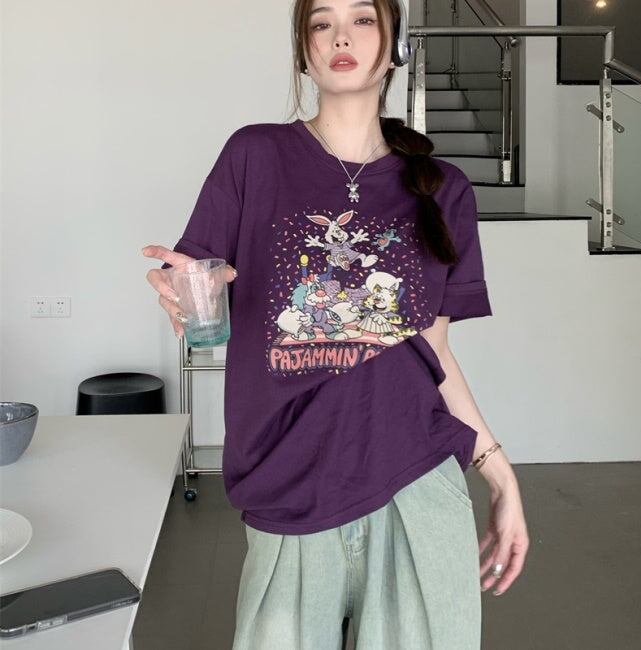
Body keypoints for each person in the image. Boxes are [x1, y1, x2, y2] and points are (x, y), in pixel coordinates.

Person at [142, 0, 529, 647]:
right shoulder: (254, 156)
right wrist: (182, 291)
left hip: (416, 482)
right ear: (304, 49)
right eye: (321, 22)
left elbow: (433, 352)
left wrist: (498, 470)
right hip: (288, 482)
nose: (341, 35)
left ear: (394, 44)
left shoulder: (444, 189)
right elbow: (195, 276)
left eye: (364, 19)